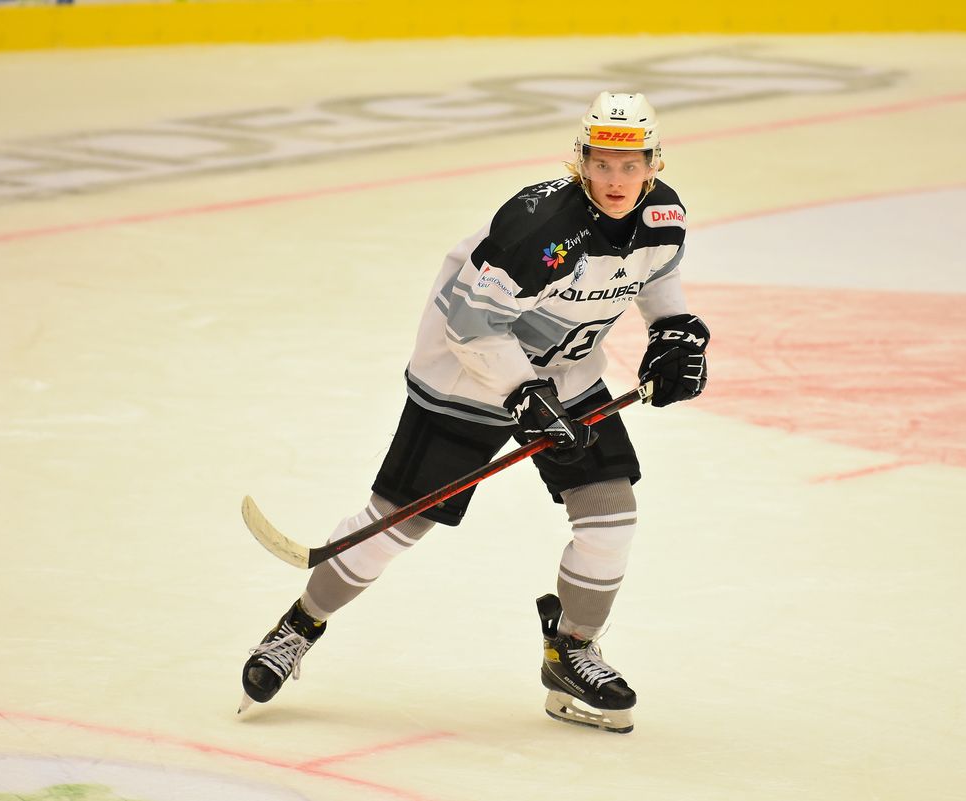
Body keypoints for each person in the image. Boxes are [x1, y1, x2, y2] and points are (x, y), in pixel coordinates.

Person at [239, 91, 710, 734]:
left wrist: (673, 330)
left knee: (611, 514)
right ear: (581, 161)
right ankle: (299, 626)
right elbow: (472, 324)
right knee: (398, 524)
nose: (616, 179)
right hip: (468, 373)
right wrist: (522, 394)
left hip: (564, 372)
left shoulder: (662, 215)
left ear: (654, 163)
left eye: (631, 165)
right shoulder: (540, 227)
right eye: (602, 163)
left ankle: (570, 652)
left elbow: (653, 277)